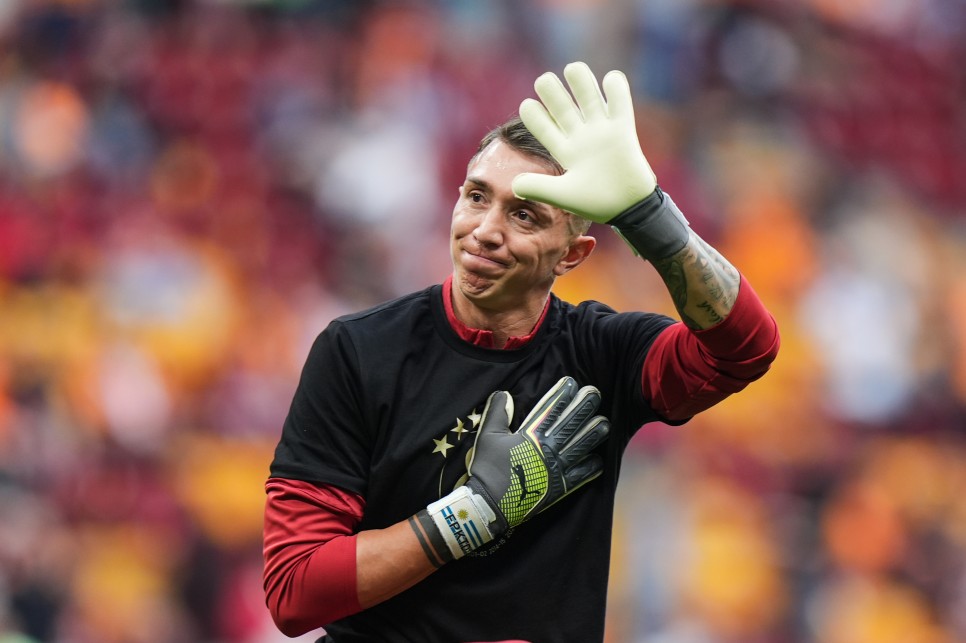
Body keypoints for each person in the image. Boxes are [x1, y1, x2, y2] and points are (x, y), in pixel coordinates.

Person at [262, 61, 780, 643]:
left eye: (524, 215)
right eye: (476, 197)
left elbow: (747, 349)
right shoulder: (359, 351)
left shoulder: (604, 354)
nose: (485, 230)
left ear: (572, 255)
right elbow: (294, 591)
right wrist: (473, 513)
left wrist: (647, 215)